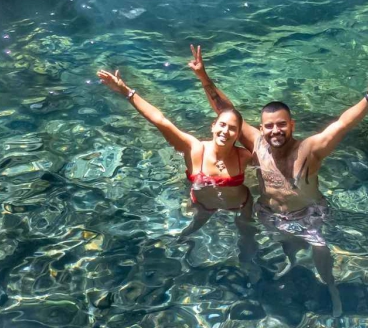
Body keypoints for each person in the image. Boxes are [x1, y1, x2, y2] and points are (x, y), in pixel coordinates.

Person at [187, 44, 368, 317]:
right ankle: (289, 259)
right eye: (270, 126)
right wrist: (203, 77)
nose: (276, 130)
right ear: (262, 128)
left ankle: (331, 287)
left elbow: (342, 124)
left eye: (282, 124)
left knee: (320, 248)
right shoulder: (257, 144)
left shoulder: (310, 149)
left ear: (292, 125)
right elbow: (227, 110)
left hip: (309, 213)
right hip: (271, 213)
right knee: (286, 242)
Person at [95, 68, 258, 265]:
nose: (226, 131)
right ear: (213, 126)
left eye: (233, 128)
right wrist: (126, 91)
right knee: (187, 232)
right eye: (222, 125)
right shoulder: (194, 150)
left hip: (241, 204)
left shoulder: (245, 156)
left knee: (248, 236)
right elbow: (161, 120)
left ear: (239, 133)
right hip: (203, 204)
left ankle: (250, 260)